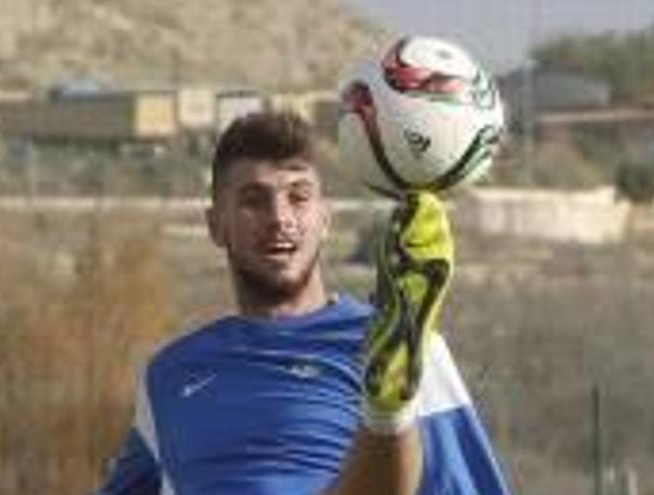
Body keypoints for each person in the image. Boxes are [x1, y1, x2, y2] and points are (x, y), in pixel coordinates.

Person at [95, 111, 511, 495]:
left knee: (392, 378)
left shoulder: (400, 339)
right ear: (215, 225)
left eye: (298, 196)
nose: (280, 217)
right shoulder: (170, 372)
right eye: (253, 200)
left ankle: (386, 412)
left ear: (325, 218)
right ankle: (385, 413)